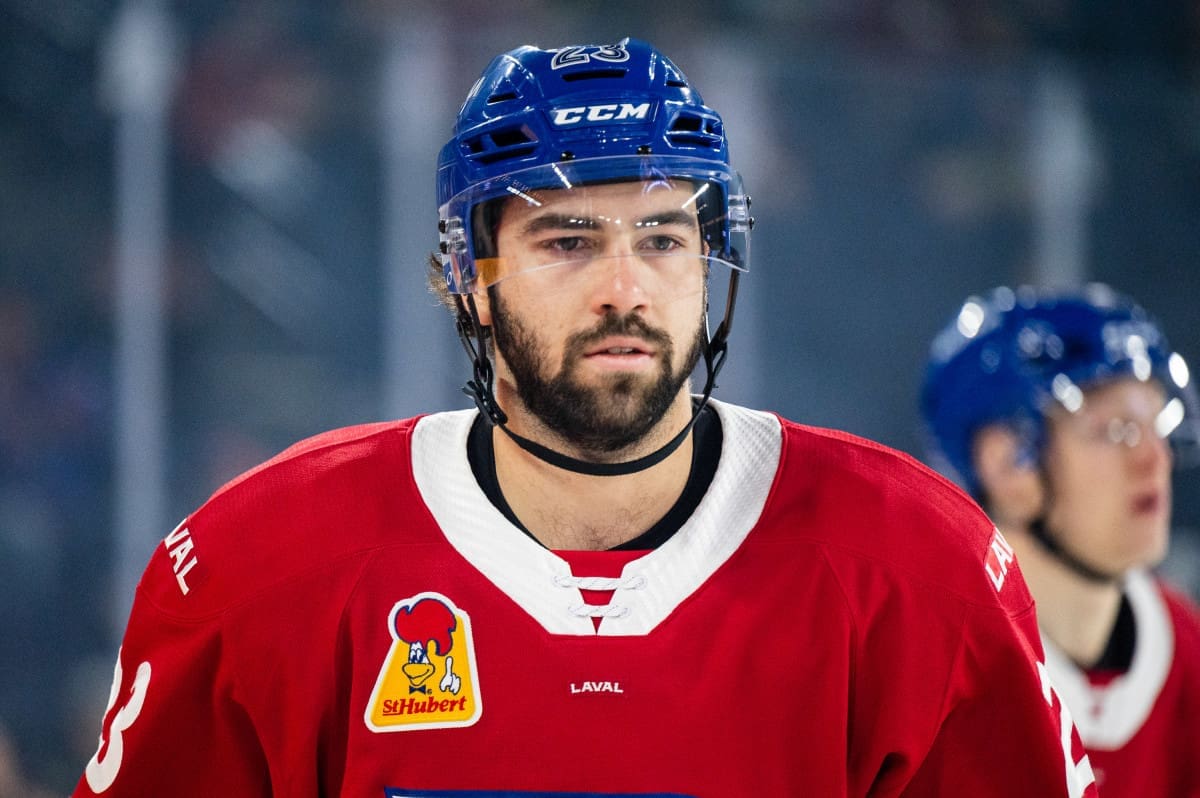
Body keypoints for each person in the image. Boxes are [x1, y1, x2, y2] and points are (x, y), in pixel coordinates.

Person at [73, 38, 1097, 797]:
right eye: (568, 242)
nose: (625, 288)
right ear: (467, 281)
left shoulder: (920, 565)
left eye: (661, 238)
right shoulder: (265, 564)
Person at [920, 283, 1200, 797]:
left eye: (1156, 426)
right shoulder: (924, 666)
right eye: (1116, 431)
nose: (1155, 460)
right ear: (1006, 463)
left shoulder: (1190, 655)